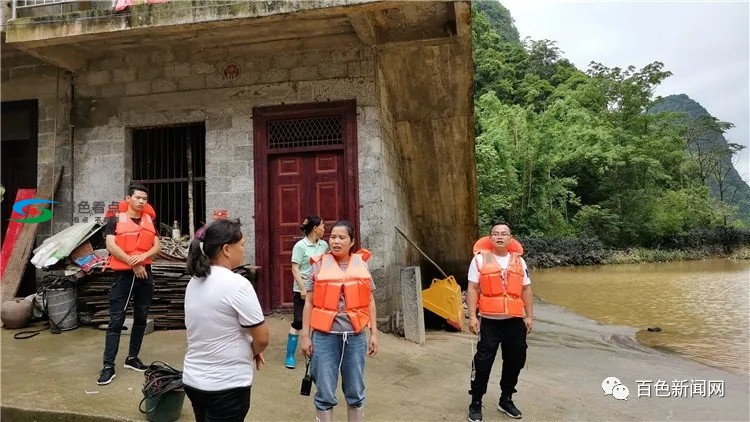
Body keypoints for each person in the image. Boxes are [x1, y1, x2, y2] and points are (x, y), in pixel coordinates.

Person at [183, 218, 269, 422]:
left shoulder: (194, 282)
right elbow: (262, 338)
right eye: (242, 245)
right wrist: (253, 351)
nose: (243, 250)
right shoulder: (237, 284)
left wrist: (249, 348)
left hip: (194, 381)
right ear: (227, 249)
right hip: (226, 386)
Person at [300, 220, 378, 422]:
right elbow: (308, 303)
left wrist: (374, 334)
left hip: (355, 337)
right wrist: (305, 336)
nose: (336, 241)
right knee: (325, 392)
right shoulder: (317, 265)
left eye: (342, 237)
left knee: (355, 391)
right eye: (333, 236)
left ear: (351, 242)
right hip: (325, 338)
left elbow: (370, 301)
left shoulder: (362, 265)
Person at [467, 221, 533, 421]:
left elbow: (526, 289)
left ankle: (506, 398)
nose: (500, 236)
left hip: (514, 321)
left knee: (516, 360)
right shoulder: (479, 260)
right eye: (495, 233)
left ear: (510, 238)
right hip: (489, 321)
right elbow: (472, 288)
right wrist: (472, 317)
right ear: (490, 238)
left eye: (504, 233)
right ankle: (476, 402)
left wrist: (529, 316)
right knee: (483, 362)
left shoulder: (519, 262)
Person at [98, 183, 161, 385]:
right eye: (138, 198)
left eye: (144, 199)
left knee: (141, 317)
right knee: (116, 320)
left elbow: (157, 245)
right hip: (124, 275)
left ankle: (132, 358)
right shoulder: (115, 218)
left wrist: (141, 260)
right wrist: (133, 263)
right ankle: (108, 366)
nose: (141, 201)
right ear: (128, 198)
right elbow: (110, 244)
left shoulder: (148, 220)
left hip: (145, 273)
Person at [285, 216, 328, 369]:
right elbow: (295, 268)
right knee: (298, 322)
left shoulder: (324, 245)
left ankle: (315, 352)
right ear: (315, 228)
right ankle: (289, 356)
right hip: (302, 290)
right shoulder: (300, 246)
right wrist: (303, 288)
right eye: (322, 226)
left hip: (319, 289)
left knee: (317, 321)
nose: (324, 228)